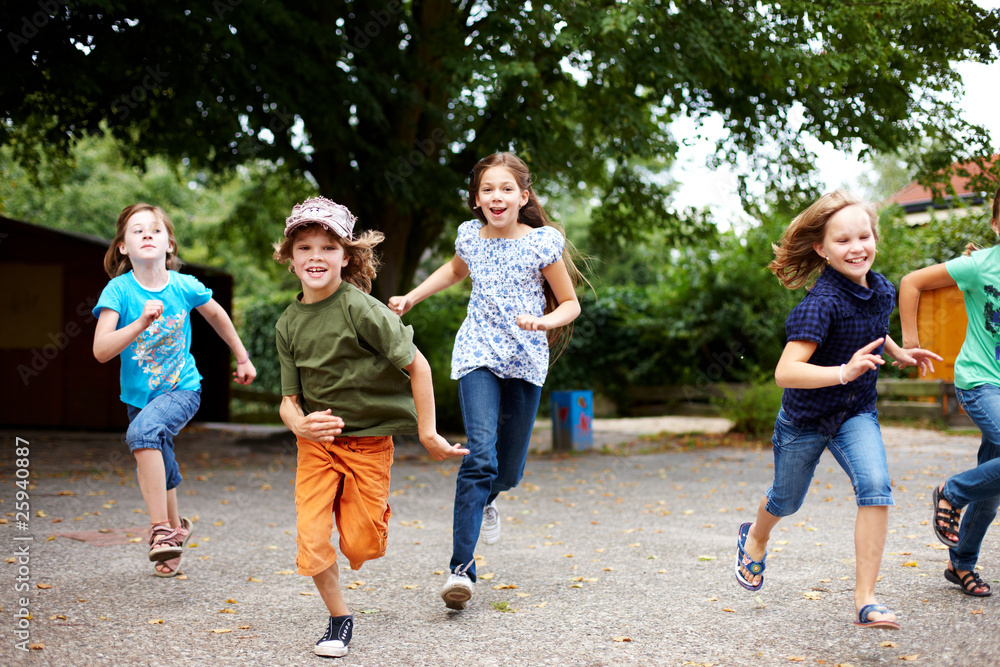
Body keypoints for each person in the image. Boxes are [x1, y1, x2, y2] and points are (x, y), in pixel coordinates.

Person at [733, 191, 941, 630]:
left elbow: (875, 329)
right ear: (822, 249)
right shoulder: (820, 304)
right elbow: (785, 373)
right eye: (843, 240)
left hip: (855, 414)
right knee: (785, 501)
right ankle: (755, 536)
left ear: (875, 238)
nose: (857, 247)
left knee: (876, 486)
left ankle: (865, 599)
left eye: (863, 236)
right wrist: (845, 371)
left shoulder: (881, 288)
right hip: (804, 422)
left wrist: (900, 352)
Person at [273, 196, 468, 658]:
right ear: (290, 257)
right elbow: (287, 401)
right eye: (304, 248)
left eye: (327, 247)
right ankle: (339, 619)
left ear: (347, 256)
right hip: (318, 447)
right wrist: (301, 427)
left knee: (360, 544)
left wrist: (427, 433)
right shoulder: (287, 323)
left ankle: (364, 521)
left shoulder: (360, 308)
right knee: (312, 535)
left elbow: (417, 366)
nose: (315, 257)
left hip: (369, 445)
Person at [388, 152, 583, 611]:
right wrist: (411, 297)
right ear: (477, 199)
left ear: (523, 197)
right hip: (477, 355)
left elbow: (570, 303)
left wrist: (542, 320)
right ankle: (461, 569)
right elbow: (455, 270)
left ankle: (490, 499)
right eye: (488, 189)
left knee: (508, 470)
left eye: (507, 189)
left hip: (525, 360)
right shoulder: (469, 237)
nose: (498, 197)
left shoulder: (542, 243)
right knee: (479, 457)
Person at [93, 203, 256, 578]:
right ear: (122, 247)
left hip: (183, 389)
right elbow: (101, 350)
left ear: (169, 245)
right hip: (139, 397)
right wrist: (140, 322)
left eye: (155, 229)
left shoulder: (183, 285)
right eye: (137, 230)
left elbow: (216, 314)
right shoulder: (118, 291)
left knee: (143, 434)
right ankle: (176, 530)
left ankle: (161, 532)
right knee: (156, 454)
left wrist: (242, 357)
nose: (147, 234)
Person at [897, 185, 1000, 598]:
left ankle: (961, 565)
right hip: (979, 380)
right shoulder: (978, 266)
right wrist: (908, 341)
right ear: (996, 223)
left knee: (992, 490)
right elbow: (911, 282)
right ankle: (952, 491)